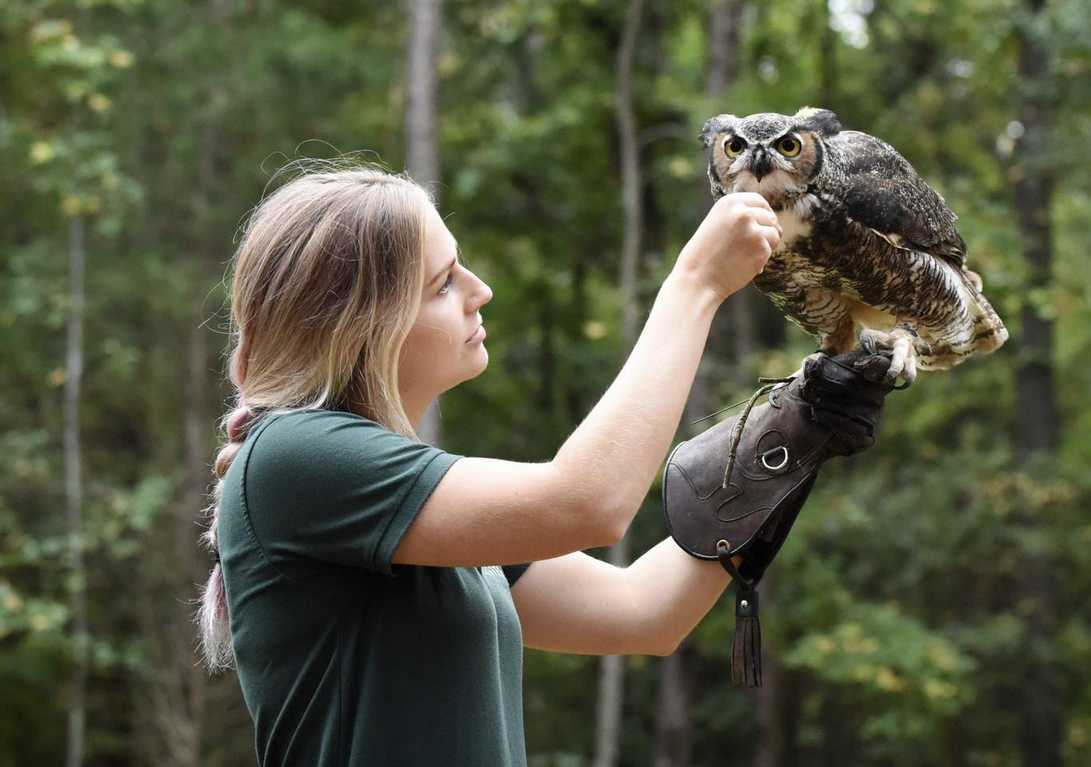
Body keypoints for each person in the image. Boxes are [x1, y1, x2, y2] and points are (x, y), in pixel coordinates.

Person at [195, 162, 886, 766]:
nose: (479, 289)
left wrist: (798, 425)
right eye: (442, 283)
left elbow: (643, 612)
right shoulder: (291, 458)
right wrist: (695, 284)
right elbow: (587, 502)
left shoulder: (419, 509)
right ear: (361, 323)